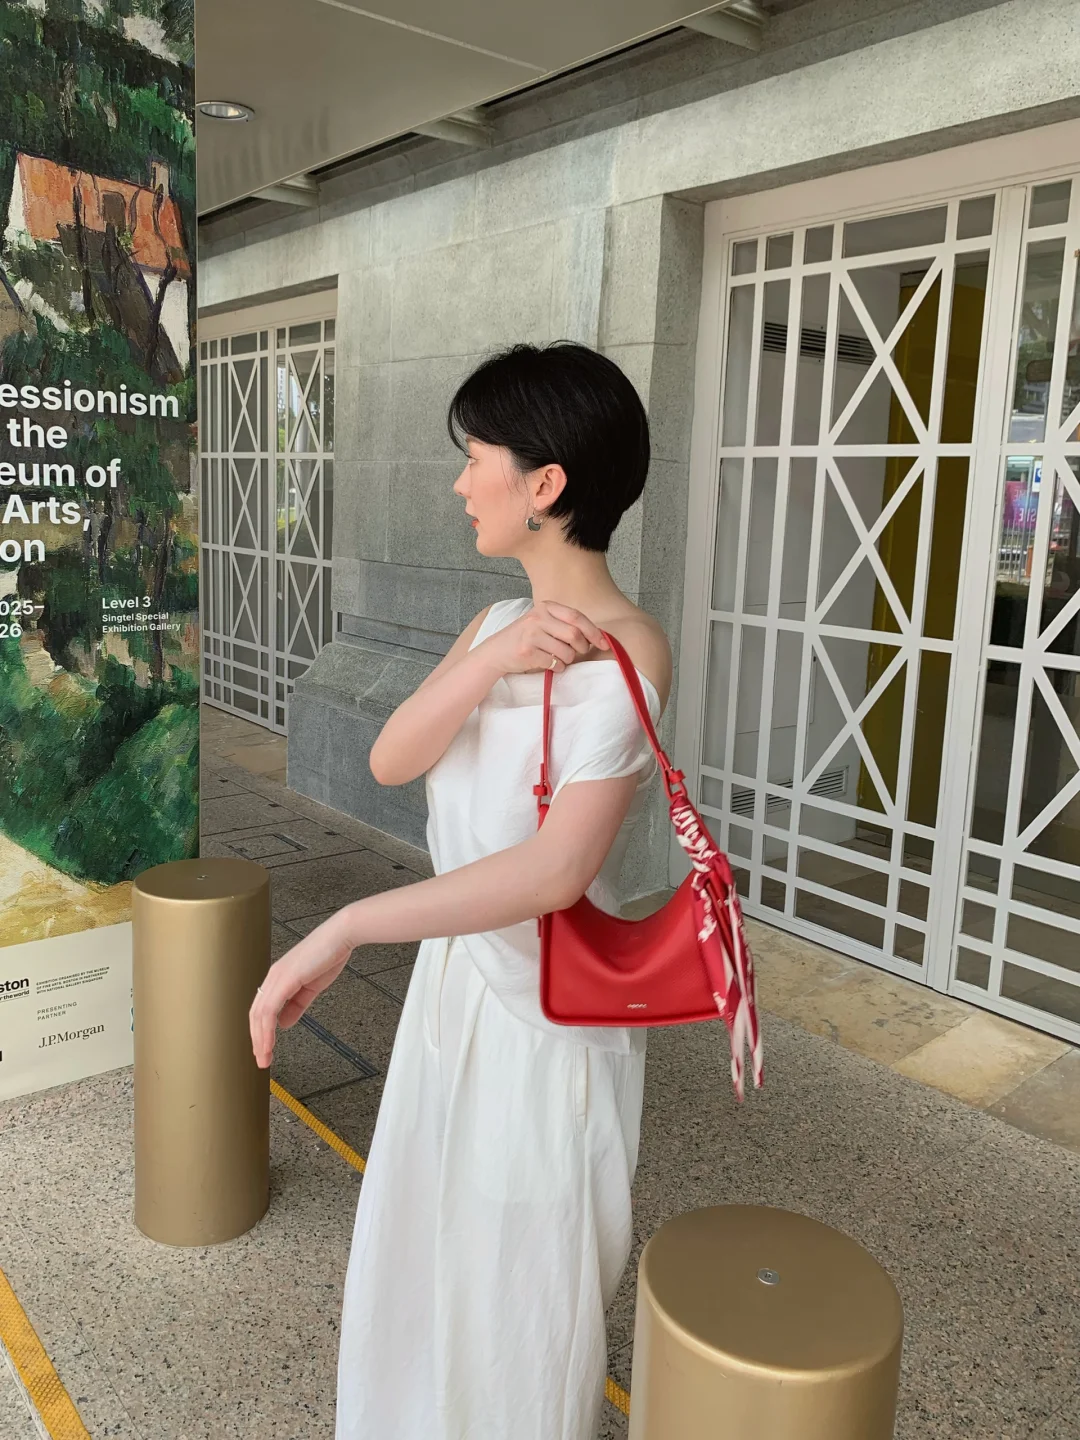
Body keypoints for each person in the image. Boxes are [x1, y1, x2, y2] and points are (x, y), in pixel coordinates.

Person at [248, 341, 673, 1440]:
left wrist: (347, 925)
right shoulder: (491, 627)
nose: (458, 482)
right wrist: (491, 661)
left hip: (547, 1025)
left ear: (545, 484)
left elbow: (554, 872)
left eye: (476, 456)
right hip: (456, 994)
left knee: (518, 1304)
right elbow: (392, 757)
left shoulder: (632, 654)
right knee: (426, 1259)